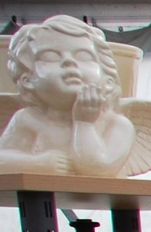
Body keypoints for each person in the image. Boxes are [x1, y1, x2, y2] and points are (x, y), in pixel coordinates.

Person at [0, 16, 136, 175]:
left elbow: (97, 168)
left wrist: (84, 123)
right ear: (27, 80)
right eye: (51, 57)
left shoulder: (117, 125)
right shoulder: (27, 119)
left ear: (107, 80)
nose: (69, 62)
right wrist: (37, 164)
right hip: (38, 198)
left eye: (83, 56)